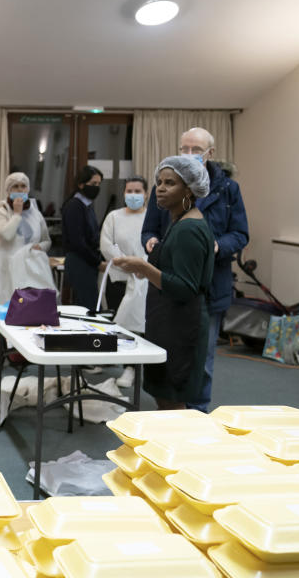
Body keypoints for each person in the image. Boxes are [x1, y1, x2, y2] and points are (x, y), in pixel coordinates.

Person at [141, 127, 249, 412]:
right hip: (170, 289)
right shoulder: (164, 187)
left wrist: (216, 247)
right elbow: (151, 228)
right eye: (183, 149)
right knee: (168, 359)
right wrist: (151, 242)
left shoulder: (227, 189)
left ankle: (196, 419)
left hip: (209, 288)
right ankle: (174, 415)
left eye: (195, 150)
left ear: (210, 154)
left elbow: (240, 234)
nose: (188, 154)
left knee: (202, 360)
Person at [114, 156, 215, 410]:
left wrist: (145, 267)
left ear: (189, 189)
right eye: (159, 182)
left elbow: (184, 287)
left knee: (173, 404)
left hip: (181, 328)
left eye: (170, 183)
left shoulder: (189, 229)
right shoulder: (177, 222)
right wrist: (145, 270)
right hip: (168, 322)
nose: (160, 188)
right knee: (164, 400)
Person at [100, 176, 149, 388]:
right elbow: (106, 244)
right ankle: (125, 364)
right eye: (129, 191)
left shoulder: (152, 218)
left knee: (141, 324)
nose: (133, 195)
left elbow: (157, 244)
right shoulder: (114, 216)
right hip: (119, 276)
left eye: (138, 191)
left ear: (146, 194)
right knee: (121, 324)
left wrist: (141, 266)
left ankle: (136, 367)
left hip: (146, 278)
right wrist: (126, 263)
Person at [0, 172, 53, 307]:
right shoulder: (0, 211)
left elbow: (46, 240)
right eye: (15, 186)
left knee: (32, 307)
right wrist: (17, 214)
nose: (20, 190)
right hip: (7, 269)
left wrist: (40, 247)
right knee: (10, 307)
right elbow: (6, 235)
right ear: (8, 190)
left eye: (23, 186)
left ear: (28, 189)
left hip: (31, 270)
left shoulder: (35, 213)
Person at [61, 165, 106, 309]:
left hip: (87, 261)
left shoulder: (87, 205)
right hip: (80, 261)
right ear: (81, 184)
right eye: (93, 184)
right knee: (87, 305)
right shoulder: (75, 206)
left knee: (89, 302)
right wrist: (97, 262)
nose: (96, 187)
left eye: (99, 184)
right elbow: (78, 242)